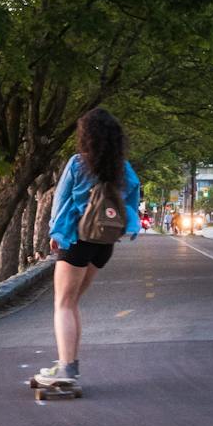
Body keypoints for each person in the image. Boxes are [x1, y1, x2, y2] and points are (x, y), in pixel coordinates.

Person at [33, 106, 141, 396]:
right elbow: (131, 203)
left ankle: (66, 368)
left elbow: (61, 200)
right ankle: (69, 363)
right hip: (104, 244)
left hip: (77, 240)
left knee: (63, 304)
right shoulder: (124, 169)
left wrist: (55, 233)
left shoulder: (78, 163)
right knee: (72, 303)